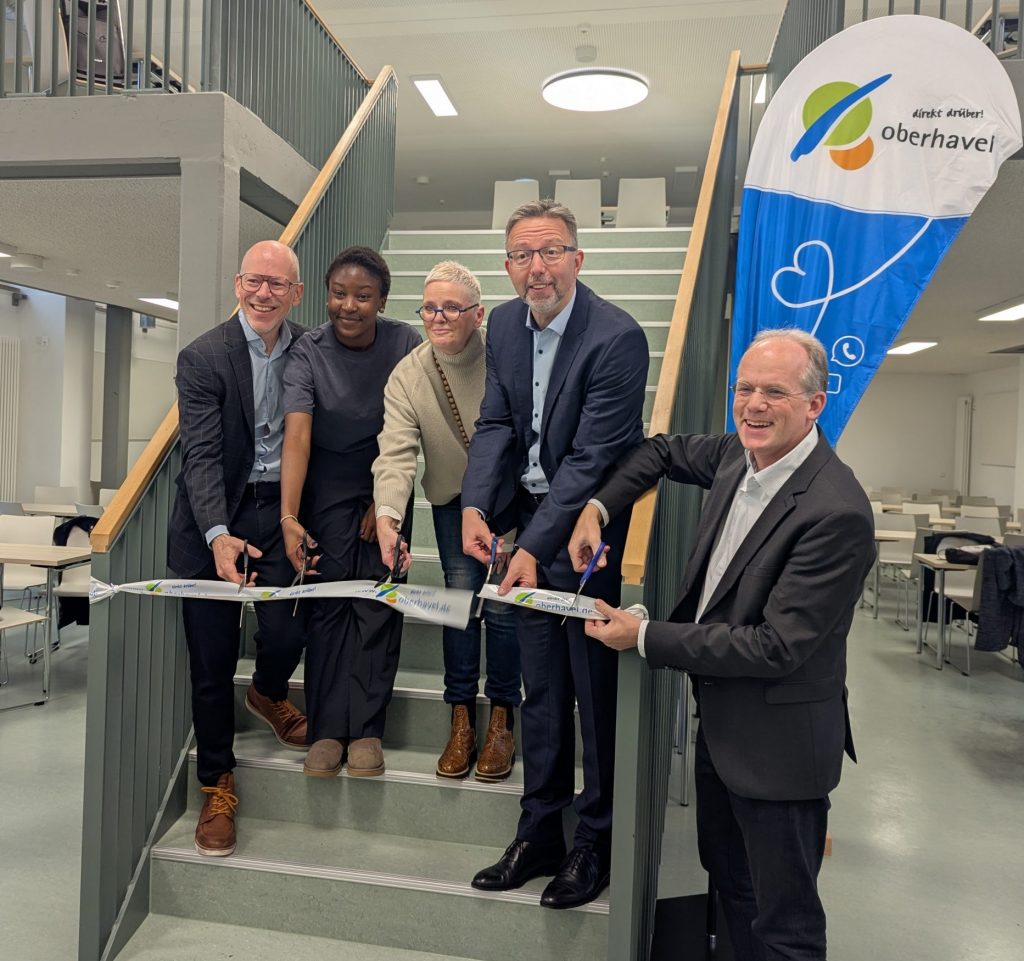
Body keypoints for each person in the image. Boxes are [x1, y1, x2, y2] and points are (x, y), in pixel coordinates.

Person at [570, 328, 874, 959]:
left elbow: (774, 647)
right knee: (732, 891)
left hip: (780, 753)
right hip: (723, 729)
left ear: (815, 405)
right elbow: (659, 452)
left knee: (784, 924)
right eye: (745, 388)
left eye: (775, 392)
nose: (754, 405)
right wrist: (597, 508)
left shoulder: (835, 510)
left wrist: (646, 635)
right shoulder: (739, 454)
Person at [461, 200, 650, 909]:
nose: (535, 268)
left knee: (592, 696)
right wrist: (477, 506)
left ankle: (594, 841)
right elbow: (496, 422)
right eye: (521, 255)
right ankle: (539, 829)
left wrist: (533, 550)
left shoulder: (617, 337)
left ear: (577, 258)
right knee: (540, 692)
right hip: (530, 528)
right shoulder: (506, 325)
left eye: (549, 252)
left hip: (587, 536)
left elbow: (592, 458)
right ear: (507, 266)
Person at [168, 239, 310, 858]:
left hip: (282, 509)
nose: (263, 293)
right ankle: (217, 784)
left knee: (288, 629)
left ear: (296, 294)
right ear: (237, 284)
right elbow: (200, 454)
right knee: (211, 662)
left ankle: (268, 692)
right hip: (213, 517)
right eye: (254, 281)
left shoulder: (311, 349)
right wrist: (217, 533)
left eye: (277, 284)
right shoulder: (203, 356)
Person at [372, 261, 521, 782]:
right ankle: (460, 716)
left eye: (452, 308)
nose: (438, 317)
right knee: (458, 606)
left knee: (502, 609)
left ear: (478, 315)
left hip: (508, 501)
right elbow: (395, 454)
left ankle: (502, 717)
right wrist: (388, 515)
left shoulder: (506, 356)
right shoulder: (409, 374)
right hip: (452, 503)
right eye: (429, 308)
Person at [280, 245, 421, 779]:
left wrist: (383, 503)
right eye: (339, 293)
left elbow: (411, 428)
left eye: (363, 295)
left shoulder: (406, 343)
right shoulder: (308, 351)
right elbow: (297, 436)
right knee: (330, 600)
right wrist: (289, 516)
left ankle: (366, 730)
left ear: (382, 300)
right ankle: (325, 730)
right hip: (327, 484)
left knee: (379, 600)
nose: (349, 305)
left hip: (387, 477)